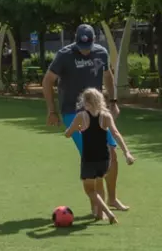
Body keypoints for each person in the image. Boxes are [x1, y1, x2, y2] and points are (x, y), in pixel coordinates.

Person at [42, 24, 127, 212]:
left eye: (88, 47)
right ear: (76, 40)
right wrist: (52, 111)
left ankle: (112, 199)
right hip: (74, 112)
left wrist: (113, 101)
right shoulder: (64, 55)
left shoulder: (101, 53)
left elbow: (108, 76)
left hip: (98, 112)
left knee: (111, 153)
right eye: (81, 47)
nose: (85, 51)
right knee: (93, 157)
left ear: (94, 41)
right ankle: (97, 208)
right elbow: (47, 81)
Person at [63, 87, 134, 223]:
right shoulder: (106, 116)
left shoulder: (81, 116)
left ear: (85, 102)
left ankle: (108, 212)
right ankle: (100, 215)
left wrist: (76, 129)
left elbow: (67, 134)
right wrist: (127, 153)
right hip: (104, 158)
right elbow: (116, 134)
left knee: (90, 190)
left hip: (89, 158)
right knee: (99, 182)